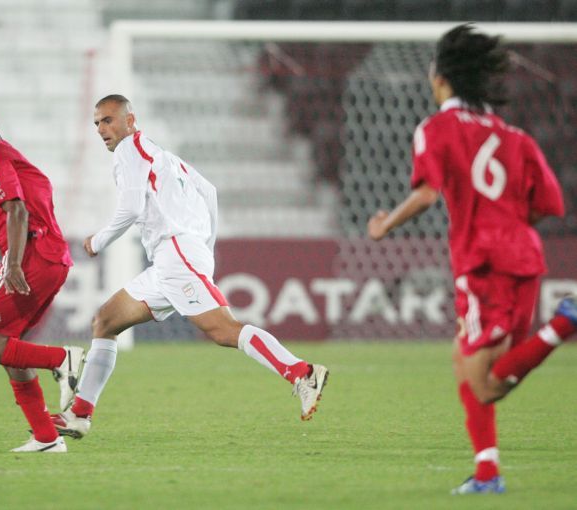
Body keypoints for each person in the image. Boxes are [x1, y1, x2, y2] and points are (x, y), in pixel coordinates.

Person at [366, 24, 577, 494]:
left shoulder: (436, 128)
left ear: (440, 79)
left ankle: (564, 323)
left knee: (485, 383)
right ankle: (487, 473)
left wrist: (384, 225)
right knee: (469, 362)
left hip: (482, 263)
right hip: (525, 257)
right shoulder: (515, 136)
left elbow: (426, 195)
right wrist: (508, 220)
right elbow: (551, 203)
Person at [48, 94, 329, 439]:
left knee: (223, 330)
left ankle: (301, 372)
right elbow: (209, 193)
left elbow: (132, 208)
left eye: (108, 120)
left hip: (176, 252)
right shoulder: (162, 155)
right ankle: (79, 415)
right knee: (105, 321)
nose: (101, 129)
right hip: (176, 256)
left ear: (130, 120)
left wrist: (99, 240)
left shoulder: (128, 149)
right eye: (96, 123)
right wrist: (204, 249)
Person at [0, 94, 85, 453]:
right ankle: (46, 437)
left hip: (30, 257)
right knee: (9, 347)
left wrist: (12, 263)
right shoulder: (1, 154)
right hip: (51, 258)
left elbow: (17, 210)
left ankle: (61, 359)